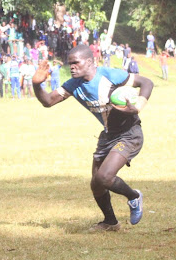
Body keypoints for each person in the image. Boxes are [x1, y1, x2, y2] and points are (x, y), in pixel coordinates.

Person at [31, 44, 154, 231]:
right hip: (107, 135)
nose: (71, 67)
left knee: (105, 177)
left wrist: (138, 107)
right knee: (96, 183)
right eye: (69, 63)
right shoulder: (74, 84)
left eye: (75, 63)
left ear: (89, 62)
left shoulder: (110, 75)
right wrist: (36, 84)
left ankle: (134, 197)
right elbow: (48, 101)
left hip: (129, 133)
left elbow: (147, 83)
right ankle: (110, 222)